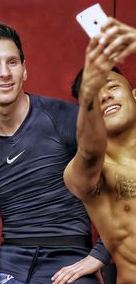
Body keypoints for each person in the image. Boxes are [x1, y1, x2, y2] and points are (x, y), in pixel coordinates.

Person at [0, 21, 112, 284]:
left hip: (69, 256)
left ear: (24, 70)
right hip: (9, 257)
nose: (4, 72)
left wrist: (101, 254)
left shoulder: (66, 118)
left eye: (12, 62)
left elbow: (123, 185)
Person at [64, 18, 136, 283]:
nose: (104, 95)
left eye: (112, 86)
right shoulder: (87, 171)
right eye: (94, 96)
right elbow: (90, 151)